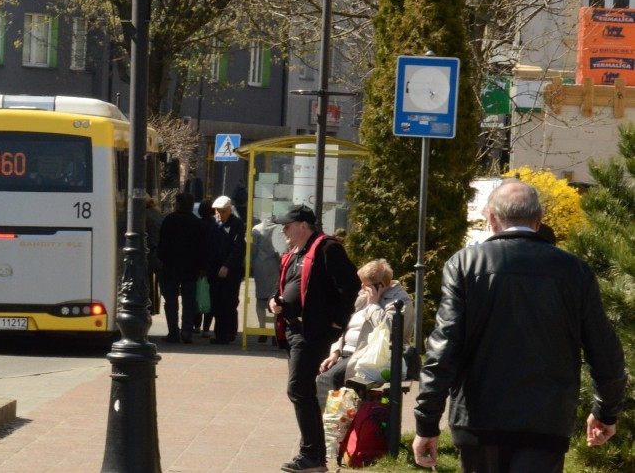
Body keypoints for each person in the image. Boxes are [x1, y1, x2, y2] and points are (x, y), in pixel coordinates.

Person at [412, 179, 627, 472]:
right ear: (539, 221)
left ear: (491, 219)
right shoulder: (575, 271)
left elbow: (444, 347)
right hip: (546, 422)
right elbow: (604, 349)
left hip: (478, 420)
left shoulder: (464, 264)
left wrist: (427, 421)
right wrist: (606, 411)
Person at [269, 204, 360, 473]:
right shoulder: (295, 253)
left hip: (314, 334)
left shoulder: (327, 248)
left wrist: (336, 324)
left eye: (287, 225)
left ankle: (312, 457)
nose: (283, 229)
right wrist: (277, 304)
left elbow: (350, 286)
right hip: (294, 330)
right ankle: (314, 457)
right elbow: (288, 288)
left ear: (303, 226)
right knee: (302, 391)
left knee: (299, 390)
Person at [315, 258, 413, 411]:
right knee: (320, 373)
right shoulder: (362, 297)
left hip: (368, 357)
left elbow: (390, 330)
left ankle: (333, 428)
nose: (362, 287)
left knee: (327, 379)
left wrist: (373, 304)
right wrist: (335, 352)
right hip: (346, 354)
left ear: (380, 285)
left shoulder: (400, 301)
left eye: (366, 284)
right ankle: (337, 425)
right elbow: (347, 327)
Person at [157, 193, 206, 343]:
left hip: (170, 268)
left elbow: (162, 245)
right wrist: (201, 267)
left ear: (178, 204)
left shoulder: (169, 220)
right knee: (189, 302)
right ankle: (186, 332)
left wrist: (162, 258)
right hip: (190, 269)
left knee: (171, 301)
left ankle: (173, 332)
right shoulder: (196, 223)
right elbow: (201, 248)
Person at [206, 195, 245, 345]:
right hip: (214, 270)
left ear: (229, 210)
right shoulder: (213, 224)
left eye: (222, 211)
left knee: (229, 302)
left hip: (230, 272)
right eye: (217, 211)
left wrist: (227, 265)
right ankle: (220, 333)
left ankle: (230, 331)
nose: (219, 214)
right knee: (216, 302)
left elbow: (238, 248)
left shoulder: (236, 224)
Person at [251, 217, 285, 343]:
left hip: (260, 266)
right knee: (275, 298)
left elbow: (253, 249)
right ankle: (274, 330)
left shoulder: (256, 229)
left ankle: (262, 329)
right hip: (275, 267)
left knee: (260, 298)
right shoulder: (279, 229)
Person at [194, 198, 216, 337]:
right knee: (210, 297)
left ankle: (196, 326)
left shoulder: (196, 225)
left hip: (197, 266)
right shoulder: (216, 225)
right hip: (212, 266)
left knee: (196, 296)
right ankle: (207, 329)